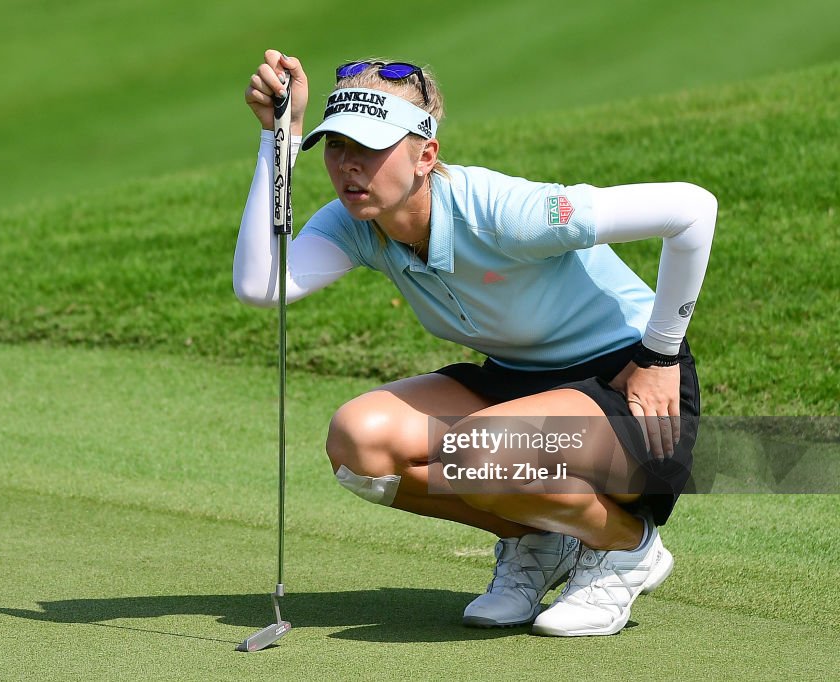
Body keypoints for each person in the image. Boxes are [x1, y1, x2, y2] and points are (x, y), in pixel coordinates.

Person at [234, 50, 715, 637]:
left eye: (370, 149)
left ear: (425, 155)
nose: (348, 166)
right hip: (517, 382)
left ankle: (627, 548)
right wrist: (279, 138)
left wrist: (661, 353)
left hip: (633, 390)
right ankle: (537, 540)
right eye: (336, 146)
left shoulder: (509, 214)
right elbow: (262, 284)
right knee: (360, 444)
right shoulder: (355, 224)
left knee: (474, 456)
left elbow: (692, 209)